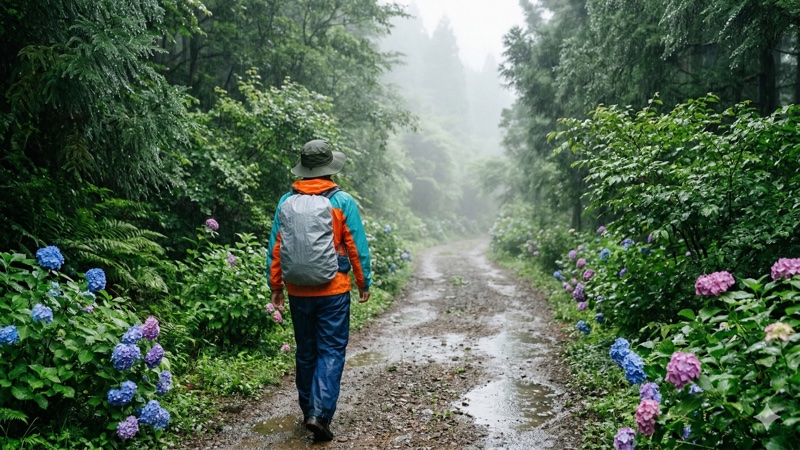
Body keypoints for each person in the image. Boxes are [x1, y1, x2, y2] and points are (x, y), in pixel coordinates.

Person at [267, 139, 372, 441]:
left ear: (303, 169)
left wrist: (276, 286)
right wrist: (363, 283)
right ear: (330, 169)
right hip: (333, 291)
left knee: (306, 352)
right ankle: (320, 414)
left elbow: (276, 247)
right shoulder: (342, 201)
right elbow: (356, 246)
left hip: (298, 291)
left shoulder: (286, 201)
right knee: (331, 350)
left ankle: (307, 410)